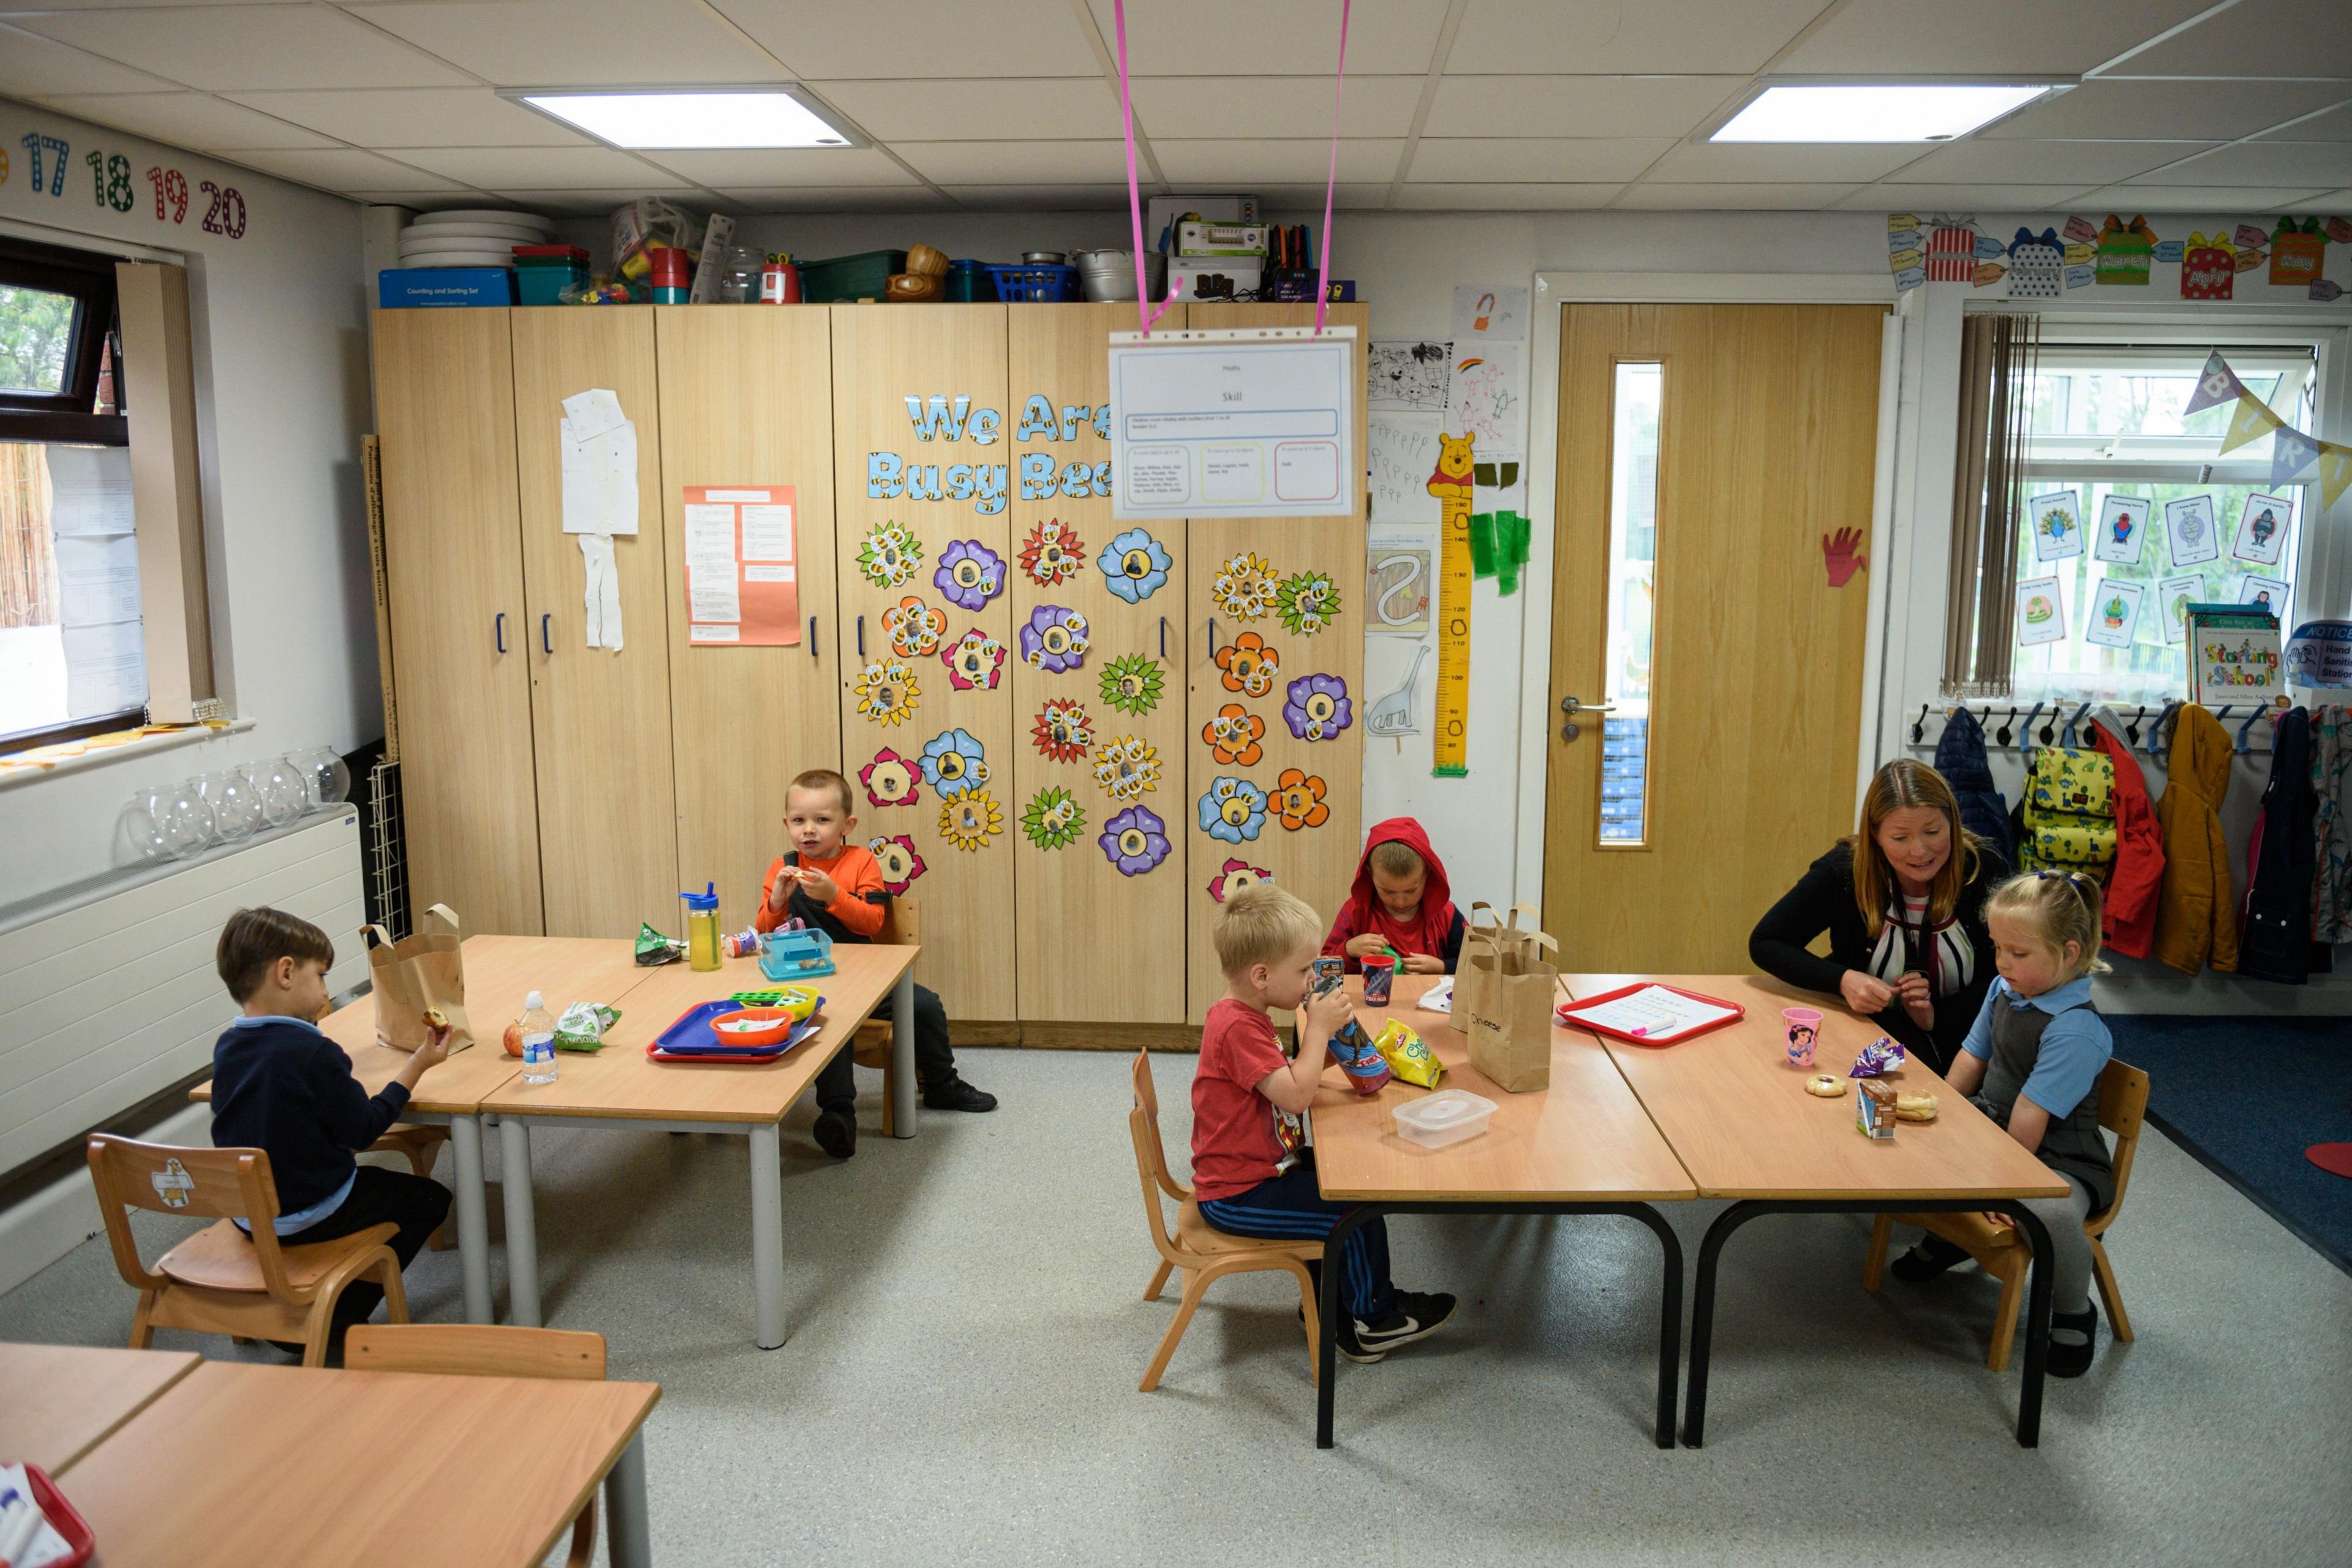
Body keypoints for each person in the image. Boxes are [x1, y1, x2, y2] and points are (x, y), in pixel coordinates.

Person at [1193, 883, 1455, 1363]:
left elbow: (1291, 1079)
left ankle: (1334, 1299)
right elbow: (1294, 1098)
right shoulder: (1234, 1027)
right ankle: (1374, 1320)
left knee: (1356, 1183)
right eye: (1304, 969)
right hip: (1236, 1194)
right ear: (1261, 975)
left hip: (1264, 1169)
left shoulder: (1248, 1016)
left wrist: (1341, 1048)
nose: (1313, 977)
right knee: (1350, 1213)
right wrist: (1316, 1029)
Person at [1887, 870, 2117, 1378]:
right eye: (1997, 948)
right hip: (1999, 1129)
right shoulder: (2004, 989)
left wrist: (1999, 1187)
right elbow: (1972, 1057)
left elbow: (2031, 1122)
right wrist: (1941, 1112)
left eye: (2019, 953)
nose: (2002, 963)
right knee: (1910, 1141)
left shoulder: (2076, 1030)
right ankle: (1954, 1237)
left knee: (2051, 1215)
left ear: (2069, 954)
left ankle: (2073, 1308)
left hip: (2057, 1156)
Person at [207, 906, 451, 1362]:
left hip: (252, 1213)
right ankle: (332, 1319)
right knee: (431, 1200)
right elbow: (363, 1130)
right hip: (311, 1210)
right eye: (320, 976)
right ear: (285, 973)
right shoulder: (314, 1052)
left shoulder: (228, 1046)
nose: (325, 991)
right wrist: (417, 1064)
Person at [753, 769, 994, 1159]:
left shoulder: (862, 862)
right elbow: (765, 933)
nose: (809, 831)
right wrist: (778, 900)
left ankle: (940, 1084)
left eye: (822, 820)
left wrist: (834, 895)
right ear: (787, 824)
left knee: (925, 1004)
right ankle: (838, 1115)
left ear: (848, 824)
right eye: (799, 821)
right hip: (807, 982)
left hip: (864, 979)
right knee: (830, 1023)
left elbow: (873, 922)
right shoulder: (782, 866)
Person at [1749, 759, 2004, 1074]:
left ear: (1952, 822)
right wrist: (1842, 980)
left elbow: (2008, 975)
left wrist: (1938, 1016)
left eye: (1933, 832)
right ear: (1875, 835)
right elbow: (1766, 942)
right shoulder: (1845, 870)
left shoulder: (1984, 872)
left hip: (1963, 1051)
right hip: (1863, 1039)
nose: (1920, 851)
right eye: (1901, 838)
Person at [1321, 817, 1464, 975]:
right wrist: (1349, 950)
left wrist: (1442, 967)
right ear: (1370, 874)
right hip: (1368, 1000)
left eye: (1411, 891)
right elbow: (1322, 971)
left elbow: (1475, 967)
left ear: (1426, 874)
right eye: (1388, 891)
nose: (1400, 902)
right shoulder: (1356, 911)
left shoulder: (1445, 914)